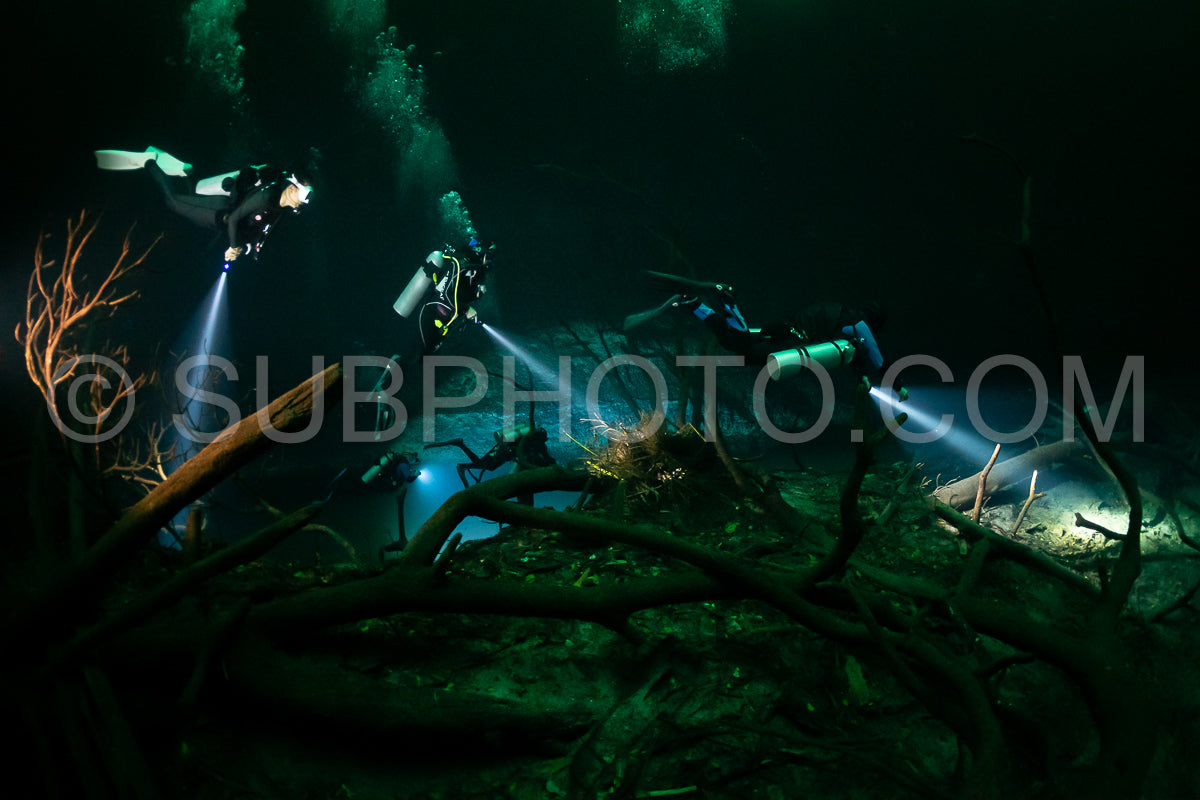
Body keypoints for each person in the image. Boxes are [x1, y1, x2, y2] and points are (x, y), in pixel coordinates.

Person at [623, 270, 897, 389]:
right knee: (740, 340)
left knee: (736, 346)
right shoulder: (859, 323)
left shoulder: (845, 319)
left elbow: (857, 355)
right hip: (788, 336)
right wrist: (898, 388)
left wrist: (862, 378)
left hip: (785, 333)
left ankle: (693, 304)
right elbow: (877, 358)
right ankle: (725, 295)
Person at [95, 146, 312, 267]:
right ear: (292, 188)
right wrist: (234, 246)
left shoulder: (281, 207)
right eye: (303, 196)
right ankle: (150, 162)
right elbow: (236, 218)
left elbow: (263, 234)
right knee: (172, 202)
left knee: (186, 198)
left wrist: (246, 249)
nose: (303, 202)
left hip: (220, 217)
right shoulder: (267, 196)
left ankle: (185, 173)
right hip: (219, 213)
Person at [393, 237, 495, 355]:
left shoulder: (469, 268)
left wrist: (475, 296)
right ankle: (393, 367)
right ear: (479, 250)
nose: (491, 258)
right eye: (490, 253)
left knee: (422, 356)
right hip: (433, 314)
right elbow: (451, 295)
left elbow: (459, 295)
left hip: (439, 317)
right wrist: (468, 308)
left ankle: (395, 367)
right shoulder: (468, 268)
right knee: (416, 355)